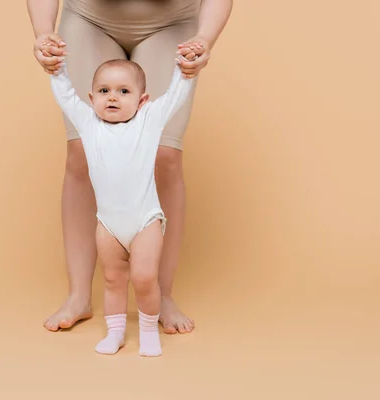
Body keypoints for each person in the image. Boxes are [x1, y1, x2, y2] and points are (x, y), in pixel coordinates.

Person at [27, 0, 233, 334]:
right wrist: (43, 32)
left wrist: (206, 37)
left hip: (173, 21)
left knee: (165, 156)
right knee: (81, 151)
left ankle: (162, 296)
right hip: (89, 18)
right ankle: (78, 295)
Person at [48, 49, 196, 355]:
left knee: (144, 278)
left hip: (145, 221)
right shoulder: (89, 124)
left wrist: (185, 72)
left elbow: (174, 97)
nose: (112, 97)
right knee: (113, 280)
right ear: (92, 98)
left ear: (142, 100)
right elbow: (65, 97)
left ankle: (147, 333)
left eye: (123, 91)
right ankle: (114, 333)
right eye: (104, 91)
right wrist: (56, 70)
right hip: (108, 224)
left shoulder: (149, 121)